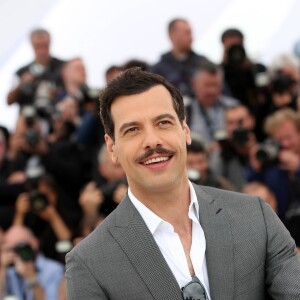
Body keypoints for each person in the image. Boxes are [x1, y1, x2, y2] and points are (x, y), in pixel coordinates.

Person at [65, 68, 300, 299]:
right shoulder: (89, 263)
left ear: (185, 130)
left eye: (163, 123)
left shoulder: (255, 217)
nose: (152, 141)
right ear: (112, 148)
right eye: (133, 130)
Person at [0, 225, 64, 300]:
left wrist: (31, 277)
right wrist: (2, 268)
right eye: (11, 249)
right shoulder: (10, 271)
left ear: (34, 242)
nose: (17, 253)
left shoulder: (53, 269)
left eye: (21, 246)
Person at [6, 28, 65, 110]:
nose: (42, 51)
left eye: (45, 45)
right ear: (32, 45)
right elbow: (9, 101)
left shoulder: (63, 67)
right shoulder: (21, 72)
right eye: (38, 46)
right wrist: (21, 84)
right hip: (30, 116)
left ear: (50, 43)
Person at [151, 18, 207, 98]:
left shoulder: (203, 63)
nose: (191, 38)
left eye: (190, 33)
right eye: (187, 33)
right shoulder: (158, 71)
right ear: (172, 35)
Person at [186, 61, 239, 144]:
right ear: (194, 84)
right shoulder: (184, 112)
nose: (212, 91)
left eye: (216, 85)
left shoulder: (234, 107)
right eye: (207, 85)